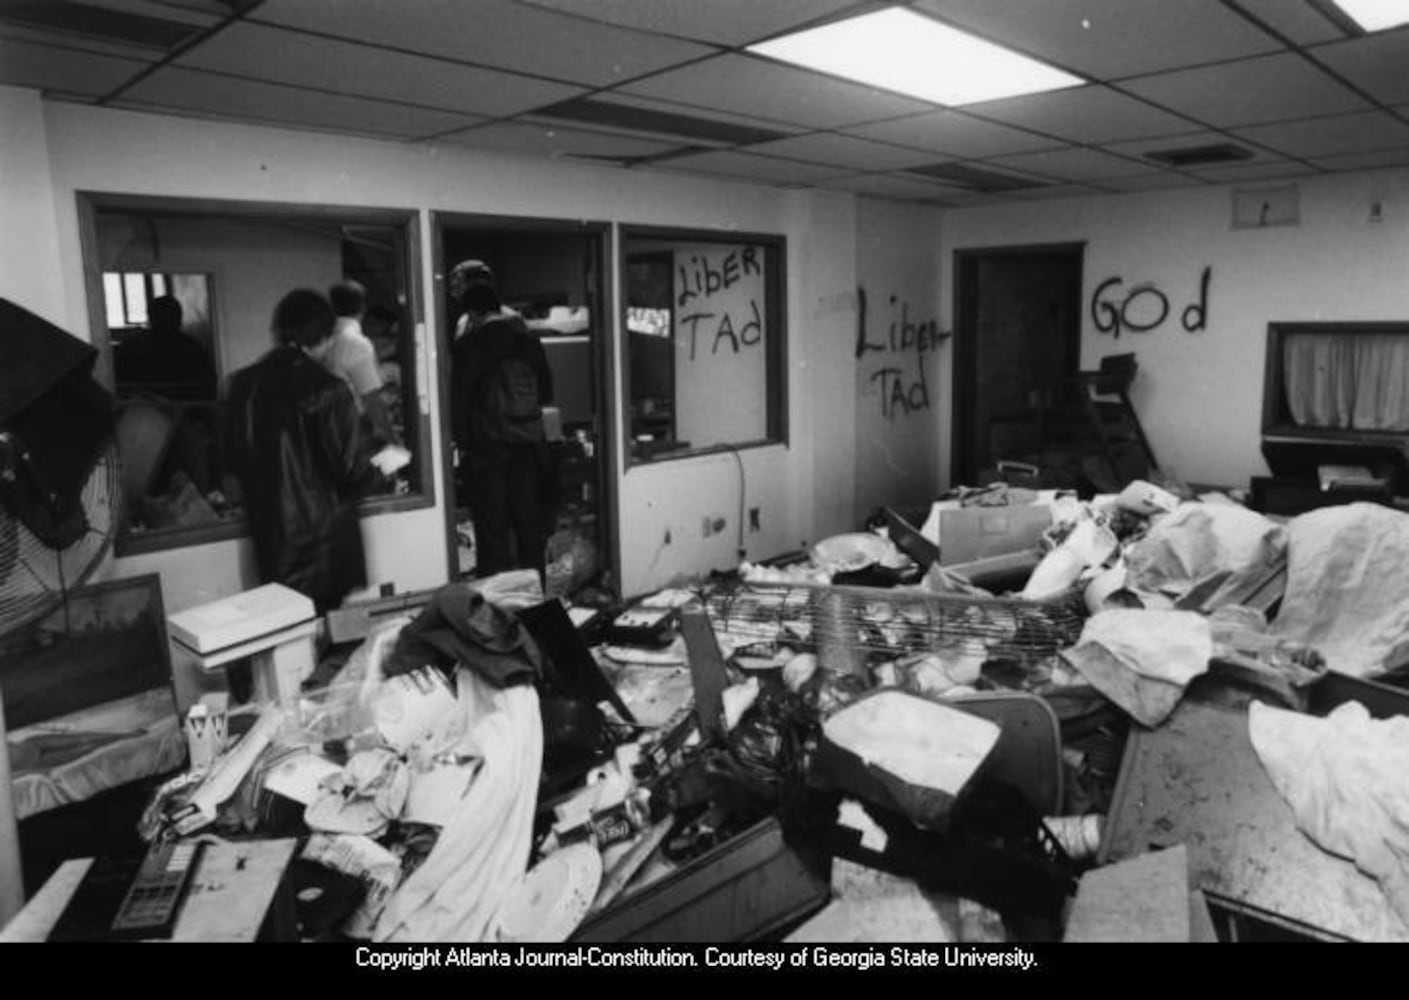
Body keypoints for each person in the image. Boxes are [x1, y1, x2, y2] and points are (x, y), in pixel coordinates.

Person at [225, 289, 384, 613]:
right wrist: (382, 468)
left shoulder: (241, 386)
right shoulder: (329, 389)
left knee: (286, 638)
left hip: (271, 541)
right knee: (325, 636)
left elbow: (231, 465)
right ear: (323, 338)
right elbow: (353, 468)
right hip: (322, 547)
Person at [451, 276, 554, 582]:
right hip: (528, 447)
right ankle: (536, 600)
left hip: (487, 450)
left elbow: (460, 401)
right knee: (528, 527)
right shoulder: (529, 341)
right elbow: (546, 392)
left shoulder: (470, 344)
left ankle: (498, 607)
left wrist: (463, 443)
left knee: (492, 530)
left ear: (472, 313)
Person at [326, 279, 400, 449]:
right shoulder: (356, 343)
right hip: (356, 429)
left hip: (331, 429)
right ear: (363, 308)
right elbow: (371, 398)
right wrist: (392, 439)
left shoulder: (325, 340)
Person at [114, 294, 217, 403]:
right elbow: (207, 390)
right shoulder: (194, 349)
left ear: (150, 317)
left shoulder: (131, 347)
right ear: (179, 318)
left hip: (141, 411)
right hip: (185, 414)